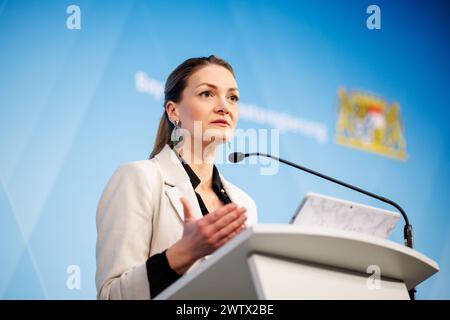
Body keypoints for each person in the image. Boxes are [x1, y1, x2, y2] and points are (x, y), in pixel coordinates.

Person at [95, 55, 258, 299]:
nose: (224, 106)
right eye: (207, 94)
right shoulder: (139, 179)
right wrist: (182, 254)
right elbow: (111, 296)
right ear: (174, 111)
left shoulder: (245, 205)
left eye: (232, 97)